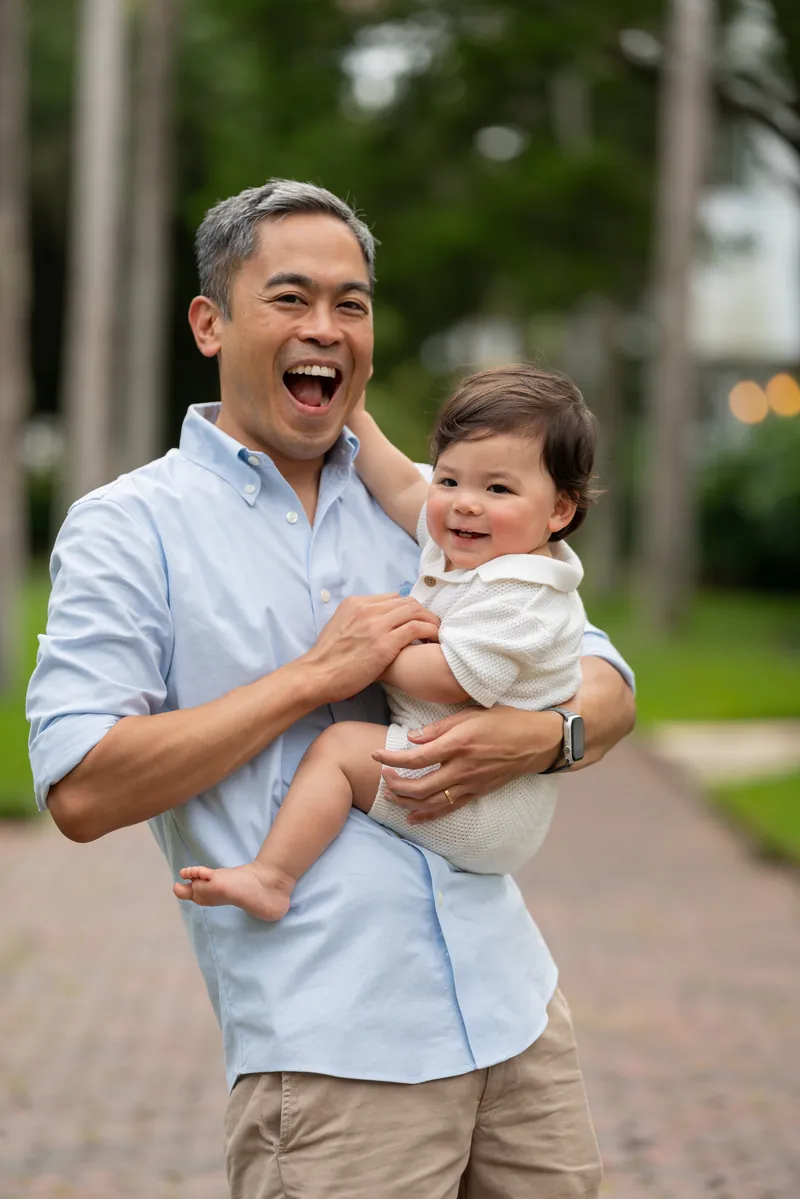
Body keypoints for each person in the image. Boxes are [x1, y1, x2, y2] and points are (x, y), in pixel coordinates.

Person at [28, 179, 635, 1199]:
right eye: (291, 298)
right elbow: (82, 788)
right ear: (210, 322)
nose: (326, 327)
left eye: (350, 303)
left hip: (514, 1009)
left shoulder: (430, 498)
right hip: (332, 1049)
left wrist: (542, 737)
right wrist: (314, 676)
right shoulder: (128, 527)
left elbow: (603, 676)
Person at [175, 364, 595, 920]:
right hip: (463, 775)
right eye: (450, 480)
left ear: (559, 510)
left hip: (485, 803)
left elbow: (452, 675)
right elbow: (399, 484)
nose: (464, 502)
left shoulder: (526, 593)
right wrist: (355, 415)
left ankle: (272, 876)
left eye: (497, 488)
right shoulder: (468, 545)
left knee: (341, 752)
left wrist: (369, 655)